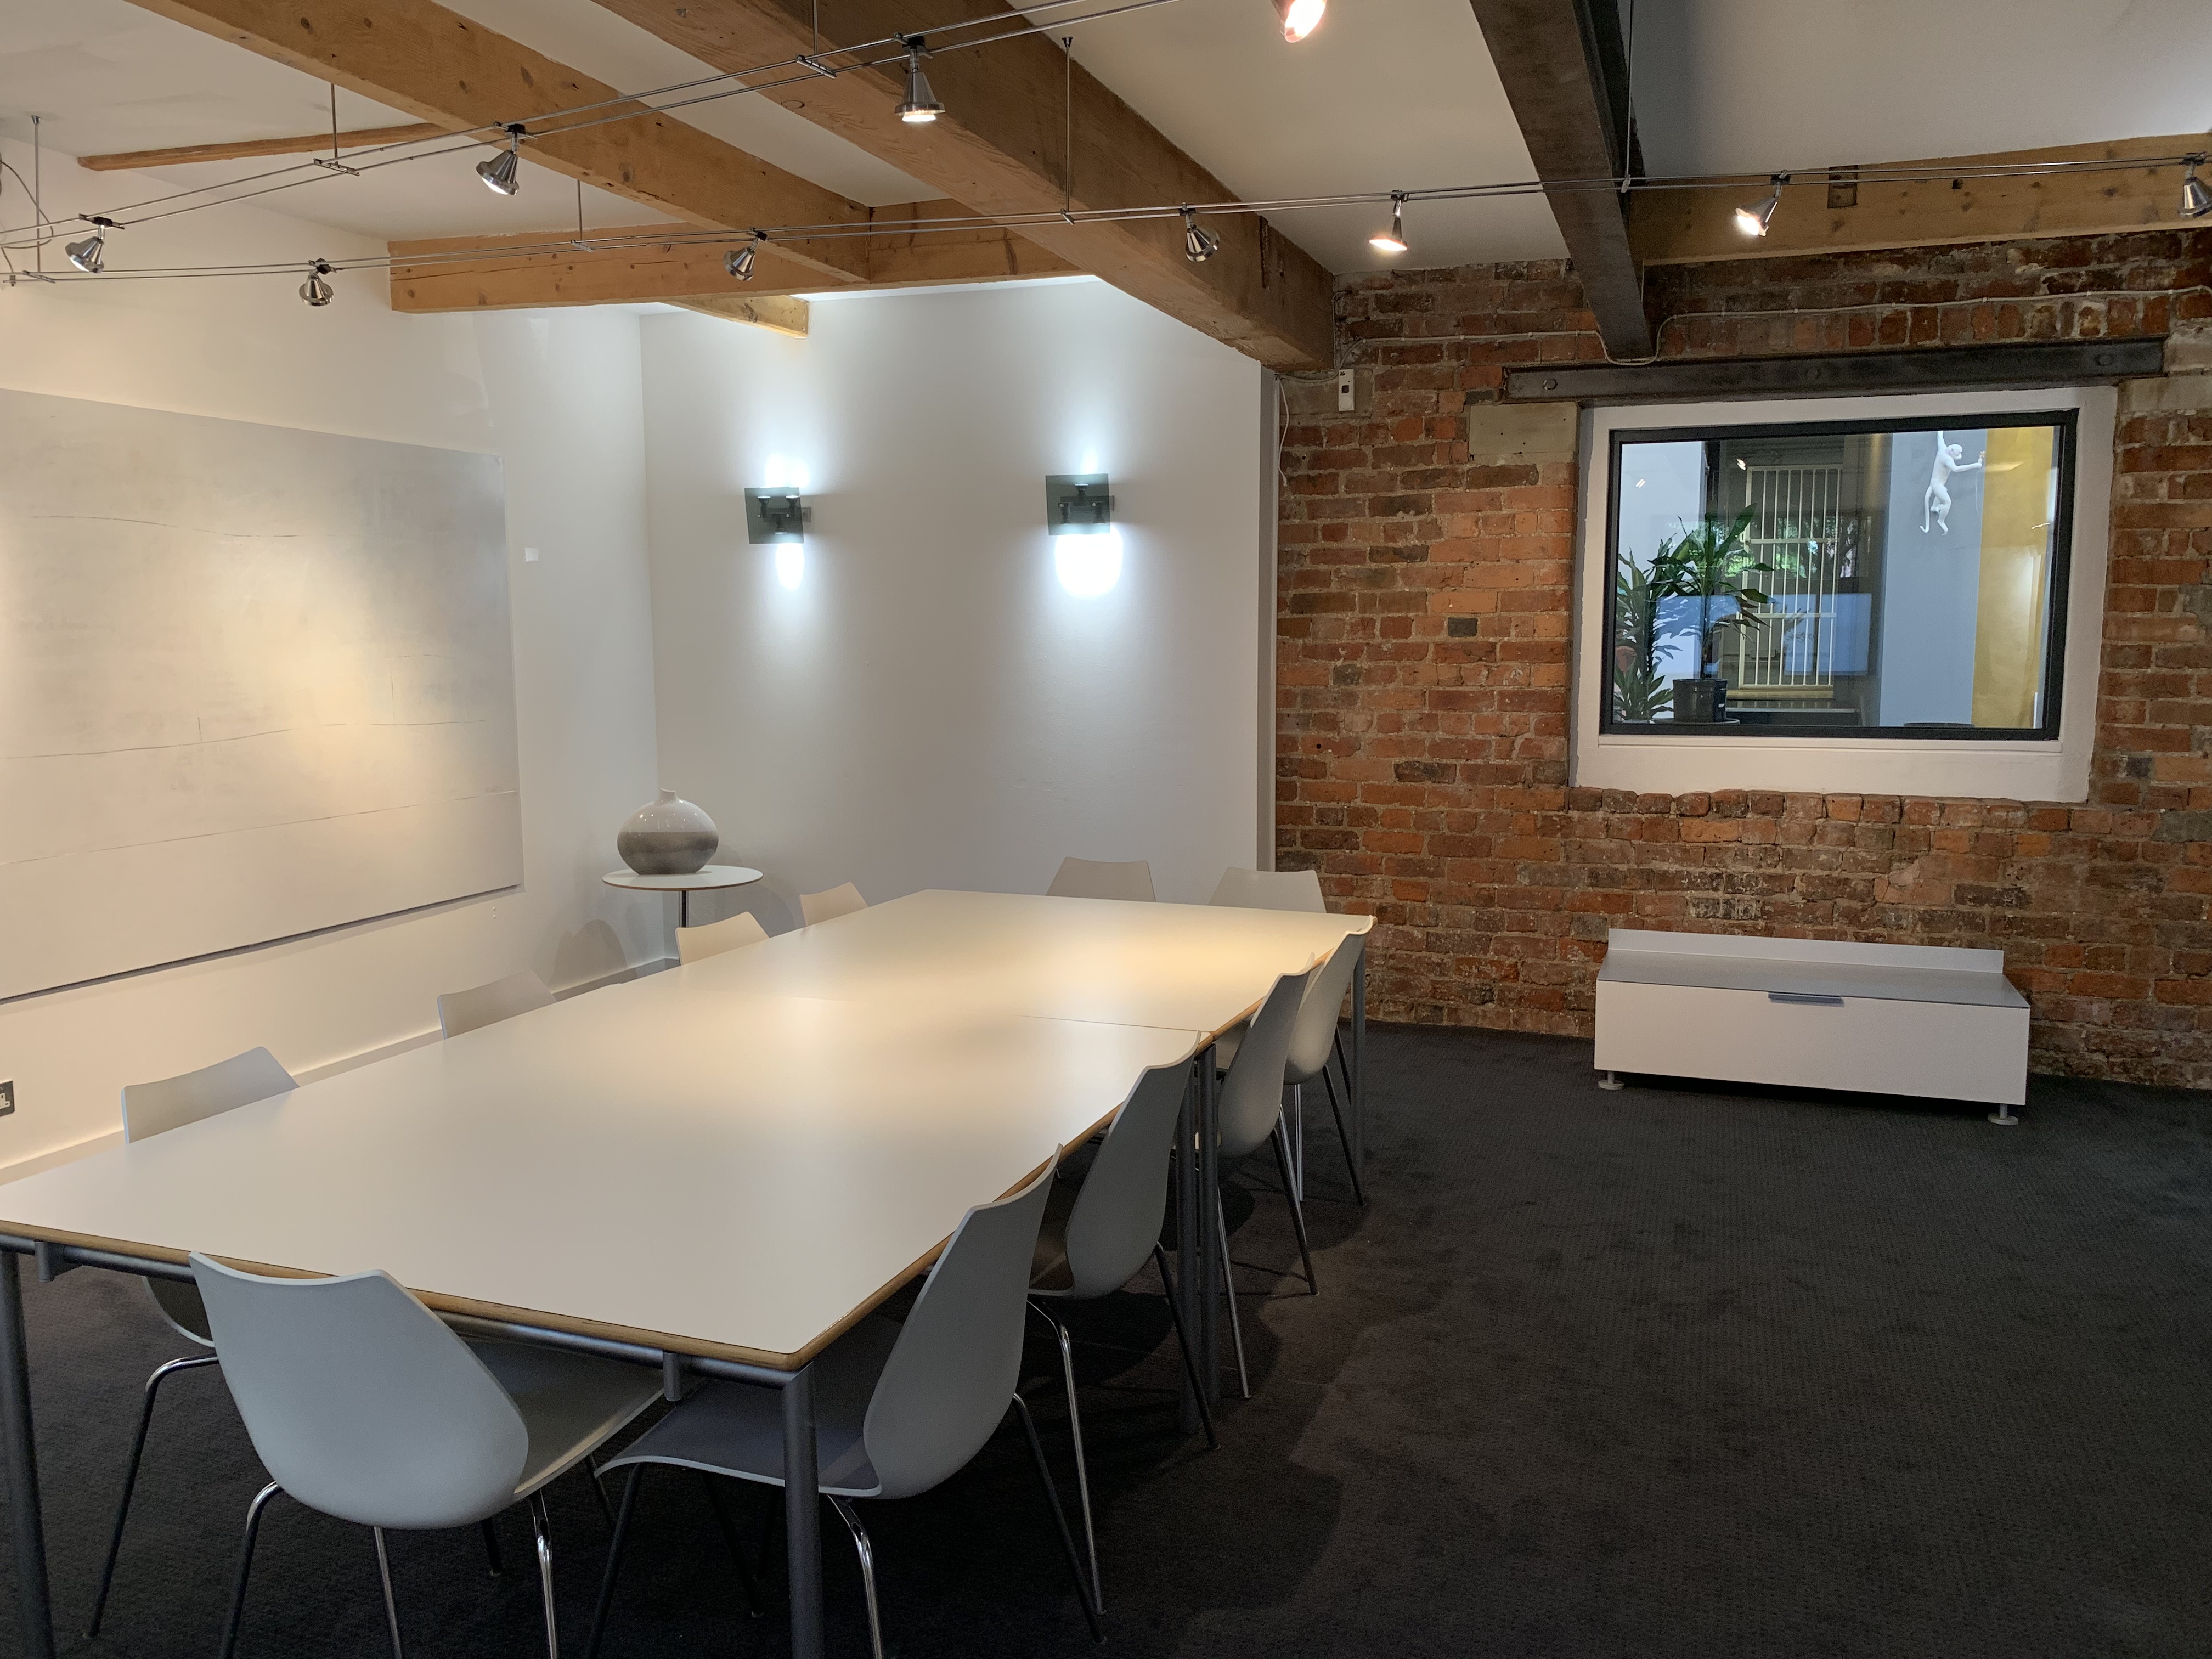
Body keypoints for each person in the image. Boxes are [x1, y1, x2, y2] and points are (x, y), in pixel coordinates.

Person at [1922, 430, 1984, 534]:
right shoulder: (1947, 460)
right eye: (1958, 453)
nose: (1960, 455)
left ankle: (1934, 507)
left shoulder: (1943, 449)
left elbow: (1940, 438)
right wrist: (1975, 465)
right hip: (1937, 485)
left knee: (1943, 491)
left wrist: (1940, 430)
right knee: (1947, 502)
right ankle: (1941, 520)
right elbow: (1956, 469)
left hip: (1937, 483)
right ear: (1951, 451)